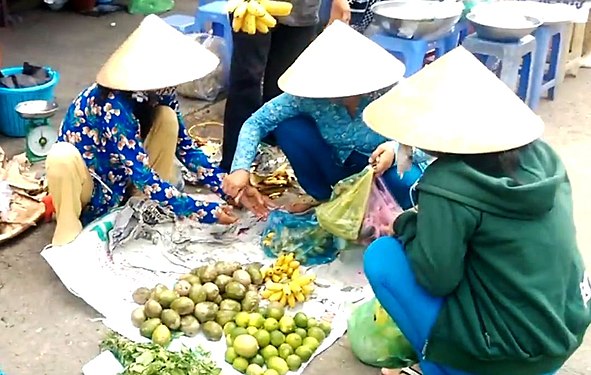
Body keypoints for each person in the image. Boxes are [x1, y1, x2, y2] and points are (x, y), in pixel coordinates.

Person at [362, 47, 591, 375]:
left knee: (382, 257)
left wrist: (404, 225)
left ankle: (440, 366)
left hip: (508, 356)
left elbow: (437, 279)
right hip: (565, 328)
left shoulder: (448, 182)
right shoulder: (543, 157)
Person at [46, 15, 237, 246]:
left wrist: (227, 188)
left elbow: (186, 148)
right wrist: (203, 211)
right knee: (60, 156)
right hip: (91, 185)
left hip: (123, 181)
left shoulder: (160, 93)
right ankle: (68, 233)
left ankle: (145, 206)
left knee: (167, 119)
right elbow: (143, 175)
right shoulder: (113, 105)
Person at [223, 21, 432, 216]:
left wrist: (395, 151)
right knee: (289, 128)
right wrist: (240, 168)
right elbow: (256, 122)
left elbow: (430, 141)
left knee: (406, 182)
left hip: (383, 170)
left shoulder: (394, 92)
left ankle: (388, 214)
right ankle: (323, 197)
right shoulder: (306, 95)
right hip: (336, 164)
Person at [220, 0, 322, 171]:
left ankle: (271, 152)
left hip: (302, 8)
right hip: (253, 6)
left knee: (283, 85)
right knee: (247, 80)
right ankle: (233, 165)